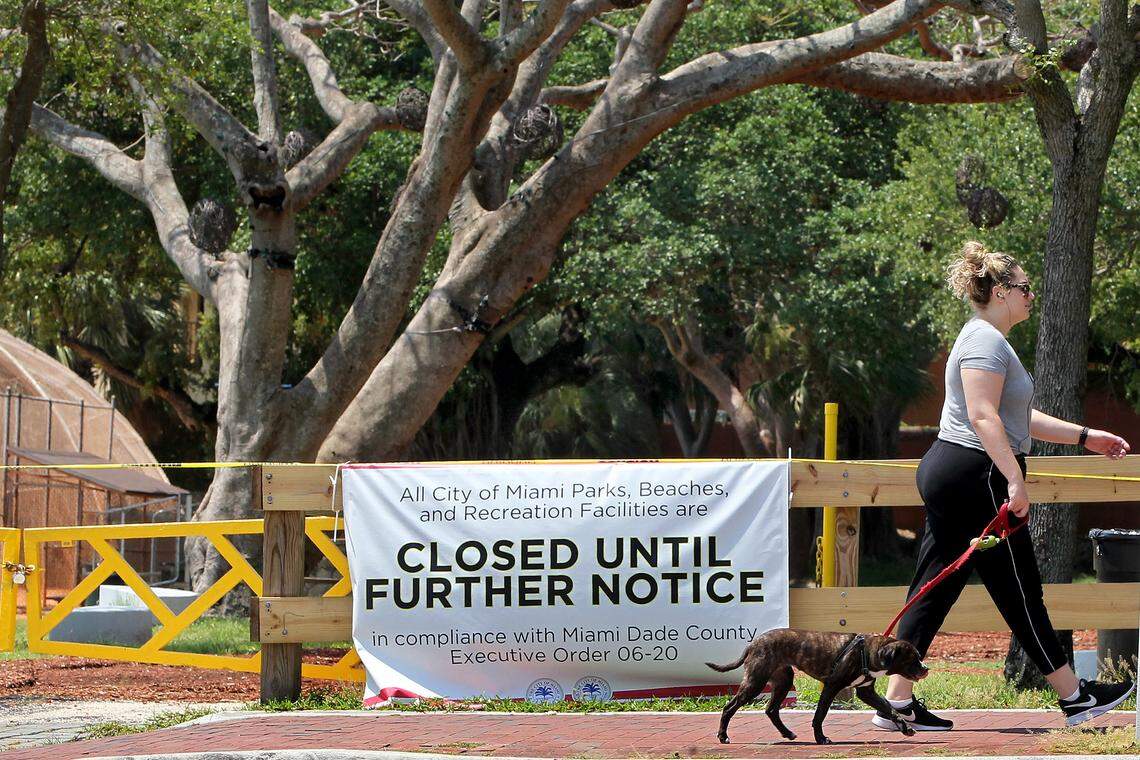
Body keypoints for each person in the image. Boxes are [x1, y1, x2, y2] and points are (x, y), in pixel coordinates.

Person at [872, 241, 1136, 732]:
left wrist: (1084, 437)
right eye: (1024, 288)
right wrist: (1014, 478)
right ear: (998, 292)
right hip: (978, 476)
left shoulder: (987, 340)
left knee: (934, 586)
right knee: (1019, 590)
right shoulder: (986, 341)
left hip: (960, 472)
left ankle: (897, 702)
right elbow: (982, 415)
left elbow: (1014, 416)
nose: (1030, 295)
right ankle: (1076, 698)